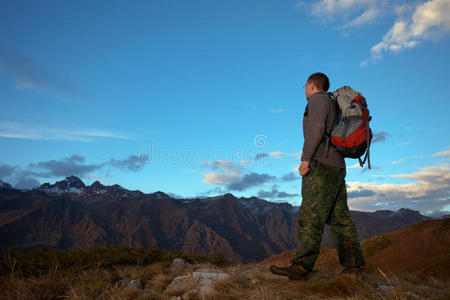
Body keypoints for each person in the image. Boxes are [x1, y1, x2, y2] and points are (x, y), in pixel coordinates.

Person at [269, 72, 365, 281]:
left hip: (321, 166)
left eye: (305, 86)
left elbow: (317, 129)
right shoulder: (332, 102)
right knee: (340, 219)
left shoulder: (318, 100)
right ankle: (353, 267)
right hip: (337, 166)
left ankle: (301, 267)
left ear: (311, 85)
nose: (304, 89)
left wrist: (305, 159)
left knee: (311, 216)